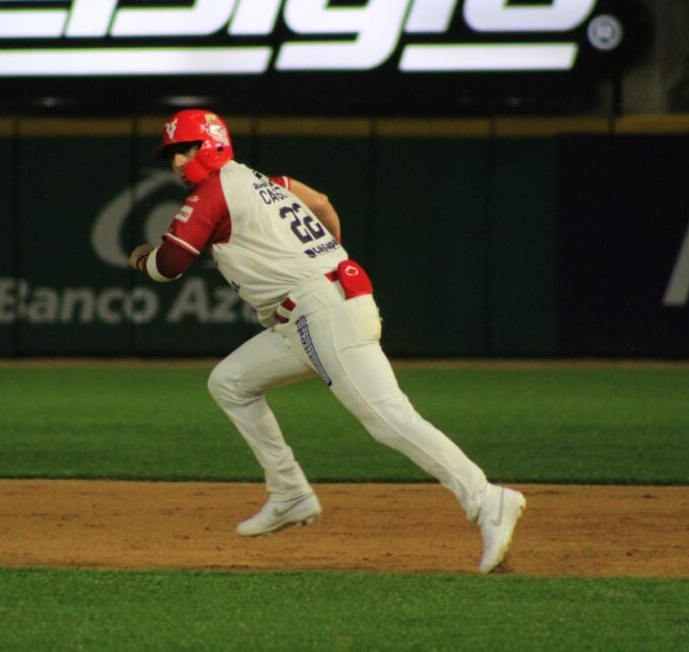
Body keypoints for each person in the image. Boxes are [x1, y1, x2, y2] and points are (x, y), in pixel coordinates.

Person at [128, 109, 525, 574]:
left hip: (321, 311)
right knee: (230, 382)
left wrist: (140, 259)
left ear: (212, 144)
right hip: (315, 308)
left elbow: (169, 264)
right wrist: (331, 254)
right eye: (173, 153)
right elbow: (320, 201)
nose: (178, 161)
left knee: (387, 417)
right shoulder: (266, 181)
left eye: (187, 147)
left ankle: (486, 500)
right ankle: (289, 492)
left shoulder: (215, 192)